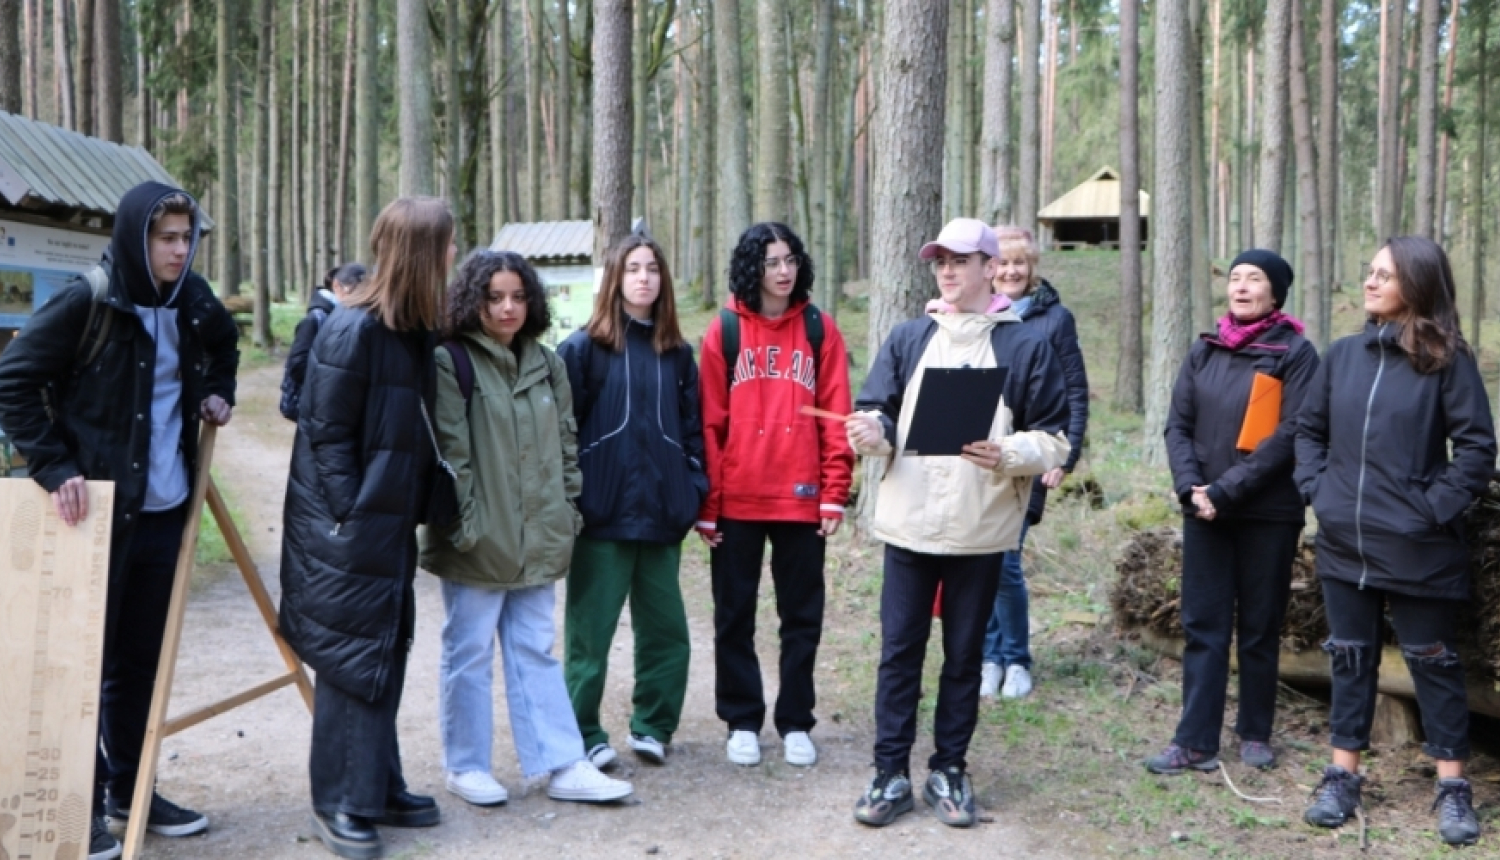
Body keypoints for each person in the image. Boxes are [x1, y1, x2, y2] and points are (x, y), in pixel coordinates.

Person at [0, 182, 238, 860]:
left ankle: (132, 794)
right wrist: (53, 467)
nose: (179, 248)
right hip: (94, 517)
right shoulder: (90, 300)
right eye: (165, 237)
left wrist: (218, 391)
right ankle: (78, 806)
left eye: (186, 237)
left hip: (166, 516)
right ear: (137, 236)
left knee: (140, 662)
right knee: (81, 663)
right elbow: (13, 378)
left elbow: (224, 346)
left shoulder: (192, 298)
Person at [846, 218, 1069, 829]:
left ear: (989, 268)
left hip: (980, 529)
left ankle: (950, 768)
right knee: (899, 653)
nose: (947, 270)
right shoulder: (910, 337)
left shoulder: (1025, 346)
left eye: (960, 259)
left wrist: (1010, 453)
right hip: (909, 527)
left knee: (965, 655)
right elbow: (878, 413)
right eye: (939, 259)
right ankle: (889, 773)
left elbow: (1054, 438)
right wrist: (872, 434)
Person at [1295, 236, 1496, 847]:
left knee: (1432, 663)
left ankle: (1453, 789)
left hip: (1416, 546)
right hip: (1344, 542)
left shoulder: (1448, 361)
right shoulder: (1343, 355)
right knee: (1349, 657)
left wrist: (1427, 510)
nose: (1370, 281)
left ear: (1417, 284)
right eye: (1370, 272)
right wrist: (1317, 489)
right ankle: (1341, 776)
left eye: (1384, 274)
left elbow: (1478, 450)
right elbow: (1308, 428)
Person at [419, 250, 633, 808]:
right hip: (476, 539)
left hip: (540, 535)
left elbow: (566, 447)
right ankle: (465, 765)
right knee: (468, 652)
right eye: (494, 298)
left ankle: (561, 763)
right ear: (473, 301)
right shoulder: (452, 361)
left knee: (536, 648)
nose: (508, 307)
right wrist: (465, 527)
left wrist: (568, 512)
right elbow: (451, 454)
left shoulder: (548, 363)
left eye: (517, 296)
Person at [278, 197, 453, 860]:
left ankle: (377, 784)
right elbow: (325, 437)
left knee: (384, 644)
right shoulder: (352, 330)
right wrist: (353, 515)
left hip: (384, 523)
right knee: (352, 656)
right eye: (446, 247)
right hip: (348, 530)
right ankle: (340, 803)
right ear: (421, 254)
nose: (452, 258)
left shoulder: (410, 330)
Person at [1145, 249, 1319, 776]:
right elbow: (1178, 425)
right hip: (1205, 512)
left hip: (1268, 512)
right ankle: (1195, 739)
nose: (1241, 287)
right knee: (1204, 624)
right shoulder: (1205, 350)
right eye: (1236, 278)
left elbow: (1290, 435)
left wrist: (1226, 490)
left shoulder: (1295, 352)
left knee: (1261, 625)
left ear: (1276, 292)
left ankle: (1255, 731)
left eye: (1255, 279)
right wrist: (1191, 488)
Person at [696, 221, 855, 768]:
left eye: (789, 260)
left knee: (801, 617)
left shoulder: (819, 329)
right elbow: (710, 425)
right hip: (738, 498)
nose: (783, 271)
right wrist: (709, 505)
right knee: (734, 615)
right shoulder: (724, 332)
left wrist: (835, 490)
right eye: (771, 263)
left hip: (801, 497)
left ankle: (795, 722)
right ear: (752, 269)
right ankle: (742, 719)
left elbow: (836, 414)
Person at [557, 233, 705, 769]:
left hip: (663, 516)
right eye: (633, 269)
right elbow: (561, 434)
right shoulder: (582, 349)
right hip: (602, 517)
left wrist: (693, 492)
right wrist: (577, 500)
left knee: (667, 632)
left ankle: (652, 725)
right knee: (589, 638)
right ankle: (583, 732)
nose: (643, 278)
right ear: (615, 279)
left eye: (652, 269)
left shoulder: (677, 353)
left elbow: (693, 432)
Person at [978, 226, 1089, 701]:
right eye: (1002, 263)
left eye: (1019, 263)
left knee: (1005, 559)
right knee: (982, 560)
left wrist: (1067, 454)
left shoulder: (1054, 319)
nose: (1010, 271)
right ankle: (988, 657)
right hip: (981, 455)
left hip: (1031, 453)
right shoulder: (977, 316)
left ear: (1033, 268)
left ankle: (1015, 658)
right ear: (988, 268)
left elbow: (1075, 390)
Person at [280, 262, 368, 420]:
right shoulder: (315, 319)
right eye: (355, 291)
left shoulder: (352, 318)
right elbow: (297, 366)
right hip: (314, 406)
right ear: (337, 286)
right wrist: (330, 383)